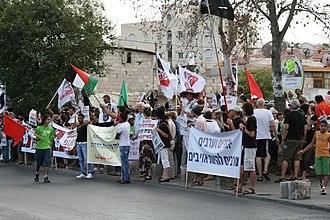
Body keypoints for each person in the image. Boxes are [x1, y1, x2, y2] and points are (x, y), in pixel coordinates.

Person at [275, 100, 306, 183]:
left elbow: (286, 128)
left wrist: (284, 138)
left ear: (291, 106)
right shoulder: (301, 115)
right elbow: (305, 127)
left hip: (290, 139)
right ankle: (295, 175)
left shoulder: (288, 115)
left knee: (286, 158)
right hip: (299, 139)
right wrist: (303, 137)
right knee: (297, 158)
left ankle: (282, 176)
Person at [298, 120, 330, 195]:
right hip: (317, 154)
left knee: (325, 172)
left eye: (324, 126)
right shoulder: (316, 133)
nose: (323, 127)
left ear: (327, 126)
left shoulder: (328, 135)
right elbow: (312, 143)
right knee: (318, 172)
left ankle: (324, 187)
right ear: (319, 126)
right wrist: (303, 151)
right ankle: (320, 182)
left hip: (326, 155)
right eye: (321, 126)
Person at [254, 98, 278, 181]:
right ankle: (265, 170)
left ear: (257, 104)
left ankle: (260, 174)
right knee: (267, 154)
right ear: (264, 105)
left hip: (256, 136)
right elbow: (273, 124)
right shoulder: (268, 112)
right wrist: (276, 135)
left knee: (258, 155)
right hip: (266, 135)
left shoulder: (254, 112)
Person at [237, 103, 257, 194]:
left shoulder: (251, 120)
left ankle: (252, 187)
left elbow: (252, 134)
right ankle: (240, 185)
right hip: (247, 145)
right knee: (246, 166)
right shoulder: (249, 119)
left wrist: (243, 129)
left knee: (250, 167)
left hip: (250, 146)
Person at [34, 115, 55, 183]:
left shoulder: (51, 129)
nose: (49, 121)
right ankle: (37, 173)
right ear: (44, 120)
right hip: (39, 147)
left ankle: (46, 176)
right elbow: (35, 138)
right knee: (38, 163)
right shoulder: (39, 128)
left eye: (49, 119)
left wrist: (51, 148)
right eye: (48, 119)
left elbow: (51, 139)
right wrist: (37, 138)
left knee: (46, 163)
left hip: (47, 147)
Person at [155, 109, 172, 182]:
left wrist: (159, 131)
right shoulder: (163, 123)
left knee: (165, 160)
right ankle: (164, 175)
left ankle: (166, 176)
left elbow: (166, 135)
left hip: (164, 144)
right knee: (164, 159)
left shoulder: (163, 124)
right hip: (163, 144)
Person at [75, 113, 94, 179]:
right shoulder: (77, 126)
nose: (79, 119)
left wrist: (81, 125)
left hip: (84, 143)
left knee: (86, 158)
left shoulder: (85, 125)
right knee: (80, 159)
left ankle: (90, 172)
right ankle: (83, 172)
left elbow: (89, 122)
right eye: (78, 118)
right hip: (78, 143)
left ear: (83, 118)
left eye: (80, 118)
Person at [115, 113, 131, 184]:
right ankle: (123, 177)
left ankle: (126, 178)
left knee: (124, 163)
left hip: (123, 145)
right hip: (127, 144)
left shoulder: (121, 126)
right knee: (125, 162)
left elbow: (116, 136)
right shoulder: (127, 124)